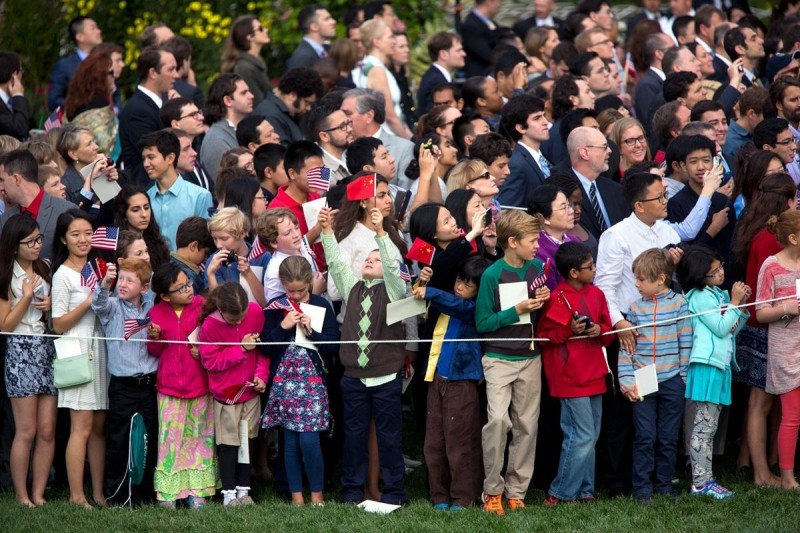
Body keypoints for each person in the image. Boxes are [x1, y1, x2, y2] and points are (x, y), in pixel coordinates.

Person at [319, 204, 408, 505]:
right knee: (354, 438)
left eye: (376, 259)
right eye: (366, 259)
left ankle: (395, 492)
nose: (369, 261)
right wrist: (327, 232)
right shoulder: (352, 288)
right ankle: (352, 491)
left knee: (389, 438)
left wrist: (382, 232)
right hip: (353, 379)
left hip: (385, 378)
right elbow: (337, 264)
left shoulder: (394, 291)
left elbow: (393, 267)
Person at [475, 210, 550, 515]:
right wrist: (516, 310)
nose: (537, 245)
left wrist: (543, 300)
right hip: (498, 358)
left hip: (531, 358)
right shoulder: (492, 274)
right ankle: (492, 491)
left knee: (527, 427)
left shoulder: (537, 267)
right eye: (532, 240)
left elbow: (542, 314)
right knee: (497, 422)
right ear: (512, 242)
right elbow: (482, 322)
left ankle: (516, 491)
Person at [412, 256, 490, 510]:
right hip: (436, 379)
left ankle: (463, 497)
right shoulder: (445, 303)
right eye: (459, 280)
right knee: (434, 442)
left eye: (468, 284)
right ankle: (439, 496)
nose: (460, 286)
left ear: (480, 289)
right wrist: (421, 284)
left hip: (462, 383)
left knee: (461, 443)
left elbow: (455, 304)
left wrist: (430, 291)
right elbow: (424, 309)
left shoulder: (475, 308)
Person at [537, 241, 613, 505]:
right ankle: (560, 493)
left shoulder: (597, 294)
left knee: (591, 435)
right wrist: (570, 330)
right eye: (589, 267)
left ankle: (585, 491)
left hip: (594, 372)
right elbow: (544, 338)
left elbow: (607, 328)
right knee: (581, 436)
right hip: (569, 377)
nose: (595, 269)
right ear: (573, 272)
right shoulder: (557, 297)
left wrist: (599, 330)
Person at [731, 173, 795, 487]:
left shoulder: (759, 229)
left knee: (763, 401)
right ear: (785, 201)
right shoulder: (773, 239)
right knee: (760, 402)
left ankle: (758, 464)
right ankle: (760, 473)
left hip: (759, 325)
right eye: (795, 199)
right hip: (766, 327)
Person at [260, 256, 339, 506]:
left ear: (310, 284)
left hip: (313, 382)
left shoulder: (321, 305)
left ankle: (317, 493)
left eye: (301, 291)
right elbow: (266, 348)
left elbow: (333, 346)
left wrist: (312, 332)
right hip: (285, 382)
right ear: (282, 285)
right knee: (291, 439)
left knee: (310, 438)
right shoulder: (275, 306)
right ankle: (296, 496)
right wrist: (283, 326)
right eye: (290, 291)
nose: (295, 295)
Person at [620, 248, 692, 503]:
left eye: (641, 279)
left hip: (672, 379)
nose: (637, 284)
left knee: (668, 437)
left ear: (660, 279)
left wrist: (682, 376)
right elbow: (626, 349)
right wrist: (627, 381)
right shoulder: (634, 309)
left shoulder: (679, 304)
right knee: (645, 436)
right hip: (643, 379)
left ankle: (664, 485)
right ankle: (641, 489)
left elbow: (686, 341)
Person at [680, 246, 749, 498]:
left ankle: (706, 479)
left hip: (720, 366)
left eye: (720, 267)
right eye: (715, 271)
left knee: (710, 428)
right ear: (700, 275)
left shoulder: (714, 294)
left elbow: (731, 329)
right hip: (706, 366)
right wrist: (734, 302)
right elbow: (720, 328)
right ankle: (700, 483)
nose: (721, 272)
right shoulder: (699, 296)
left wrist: (739, 309)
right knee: (703, 428)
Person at [51, 209, 108, 509]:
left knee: (99, 427)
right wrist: (89, 300)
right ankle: (76, 495)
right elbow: (57, 323)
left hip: (101, 352)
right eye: (75, 234)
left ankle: (98, 493)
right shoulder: (62, 275)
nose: (83, 239)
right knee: (81, 427)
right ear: (64, 238)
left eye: (88, 233)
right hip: (76, 353)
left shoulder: (99, 267)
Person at [147, 263, 217, 509]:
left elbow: (215, 338)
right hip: (169, 388)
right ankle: (169, 492)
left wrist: (204, 352)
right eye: (180, 288)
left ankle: (197, 492)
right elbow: (154, 351)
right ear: (165, 296)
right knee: (170, 441)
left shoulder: (202, 306)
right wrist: (154, 337)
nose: (188, 289)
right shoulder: (156, 313)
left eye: (188, 283)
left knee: (199, 438)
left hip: (200, 385)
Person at [0, 215, 56, 507]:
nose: (37, 245)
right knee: (27, 429)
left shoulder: (45, 268)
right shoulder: (6, 275)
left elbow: (53, 318)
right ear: (14, 247)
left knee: (47, 429)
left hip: (46, 347)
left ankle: (39, 493)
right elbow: (5, 326)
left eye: (39, 239)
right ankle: (21, 495)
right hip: (20, 350)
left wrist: (48, 308)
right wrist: (26, 297)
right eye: (30, 241)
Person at [91, 258, 156, 504]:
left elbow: (155, 285)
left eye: (131, 280)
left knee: (147, 438)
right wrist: (105, 283)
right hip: (123, 387)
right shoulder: (113, 307)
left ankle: (144, 494)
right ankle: (118, 494)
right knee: (119, 439)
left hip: (148, 384)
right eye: (122, 279)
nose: (123, 284)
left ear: (144, 287)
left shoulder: (150, 306)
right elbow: (98, 304)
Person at [198, 282, 267, 506]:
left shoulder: (256, 313)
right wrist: (240, 348)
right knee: (228, 444)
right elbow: (210, 361)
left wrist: (261, 376)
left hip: (250, 392)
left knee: (248, 441)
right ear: (220, 309)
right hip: (226, 394)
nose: (238, 322)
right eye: (232, 319)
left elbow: (263, 350)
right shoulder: (209, 325)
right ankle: (228, 493)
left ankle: (243, 490)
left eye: (242, 317)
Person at [756, 210, 800, 490]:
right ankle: (786, 477)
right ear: (794, 238)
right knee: (792, 415)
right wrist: (786, 309)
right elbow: (761, 313)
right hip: (786, 349)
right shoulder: (771, 266)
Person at [142, 130, 213, 251]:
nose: (146, 164)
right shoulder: (145, 198)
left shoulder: (200, 196)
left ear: (170, 158)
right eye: (144, 158)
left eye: (151, 157)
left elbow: (205, 243)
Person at [0, 149, 76, 262]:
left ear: (16, 179)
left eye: (2, 180)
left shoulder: (66, 211)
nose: (1, 187)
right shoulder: (4, 219)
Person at [119, 47, 179, 188]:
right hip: (148, 189)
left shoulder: (159, 104)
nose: (176, 75)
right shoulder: (138, 110)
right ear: (153, 73)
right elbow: (157, 151)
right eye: (171, 69)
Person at [340, 88, 415, 189]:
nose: (342, 119)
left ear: (369, 116)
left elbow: (409, 198)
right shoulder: (341, 148)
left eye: (347, 114)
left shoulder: (404, 149)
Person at [266, 141, 325, 267]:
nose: (320, 176)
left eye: (323, 170)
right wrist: (317, 229)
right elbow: (285, 253)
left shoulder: (316, 197)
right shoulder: (276, 210)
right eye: (314, 172)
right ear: (292, 173)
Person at [355, 19, 412, 139]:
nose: (394, 41)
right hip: (388, 140)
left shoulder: (370, 65)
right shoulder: (376, 70)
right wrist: (410, 141)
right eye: (390, 37)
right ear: (377, 42)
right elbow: (390, 116)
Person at [204, 207, 268, 307]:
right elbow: (215, 307)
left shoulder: (262, 257)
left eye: (224, 238)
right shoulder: (215, 261)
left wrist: (248, 274)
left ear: (242, 233)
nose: (218, 245)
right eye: (215, 239)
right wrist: (211, 274)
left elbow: (266, 303)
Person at [63, 51, 119, 161]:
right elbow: (105, 146)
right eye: (111, 73)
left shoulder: (73, 102)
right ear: (99, 77)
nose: (114, 77)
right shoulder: (100, 104)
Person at [498, 94, 551, 208]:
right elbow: (509, 210)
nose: (545, 122)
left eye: (544, 115)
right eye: (537, 118)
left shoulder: (544, 159)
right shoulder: (515, 164)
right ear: (521, 128)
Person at [56, 125, 119, 220]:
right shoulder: (65, 185)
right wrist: (90, 180)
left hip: (110, 234)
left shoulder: (101, 171)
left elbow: (116, 214)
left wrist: (110, 182)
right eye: (89, 144)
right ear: (73, 154)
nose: (96, 147)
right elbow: (73, 220)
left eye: (94, 142)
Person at [200, 73, 254, 181]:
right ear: (228, 101)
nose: (251, 96)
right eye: (244, 93)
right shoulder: (216, 141)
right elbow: (229, 186)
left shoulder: (235, 131)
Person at [527, 184, 581, 290]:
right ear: (544, 218)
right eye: (563, 208)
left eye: (569, 205)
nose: (571, 211)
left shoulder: (576, 241)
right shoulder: (538, 251)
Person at [252, 68, 324, 147]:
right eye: (307, 102)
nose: (308, 108)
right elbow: (283, 153)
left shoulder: (286, 113)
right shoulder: (271, 116)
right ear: (292, 95)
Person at [49, 16, 103, 112]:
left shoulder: (103, 62)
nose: (99, 31)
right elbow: (54, 100)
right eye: (93, 28)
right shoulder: (64, 66)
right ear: (80, 37)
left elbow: (115, 94)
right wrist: (80, 105)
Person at [113, 186, 171, 271]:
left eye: (146, 208)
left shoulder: (158, 245)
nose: (144, 214)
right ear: (124, 214)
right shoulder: (114, 246)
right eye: (136, 210)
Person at [221, 15, 271, 106]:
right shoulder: (244, 68)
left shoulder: (255, 63)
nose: (266, 30)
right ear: (249, 37)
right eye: (260, 28)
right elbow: (257, 105)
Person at [417, 32, 466, 118]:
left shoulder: (436, 76)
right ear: (443, 54)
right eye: (458, 50)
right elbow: (434, 117)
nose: (464, 54)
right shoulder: (436, 81)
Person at [170, 216, 214, 296]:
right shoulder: (190, 278)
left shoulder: (165, 263)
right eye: (206, 252)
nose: (206, 258)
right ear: (193, 246)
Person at [286, 5, 337, 70]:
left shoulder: (325, 51)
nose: (333, 22)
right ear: (314, 27)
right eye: (327, 19)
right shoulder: (303, 58)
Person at [460, 0, 501, 77]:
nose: (499, 5)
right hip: (481, 77)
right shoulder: (470, 26)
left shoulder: (492, 23)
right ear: (488, 1)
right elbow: (486, 54)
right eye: (497, 1)